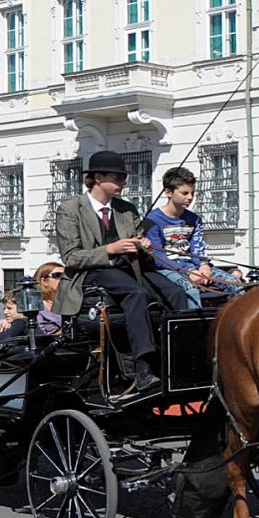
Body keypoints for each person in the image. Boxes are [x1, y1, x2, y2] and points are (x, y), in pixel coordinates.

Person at [52, 150, 164, 395]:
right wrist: (110, 249)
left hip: (129, 267)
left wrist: (143, 244)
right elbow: (71, 256)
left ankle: (177, 362)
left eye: (124, 178)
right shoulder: (70, 209)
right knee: (136, 293)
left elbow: (138, 237)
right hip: (92, 272)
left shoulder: (126, 208)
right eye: (118, 178)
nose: (123, 183)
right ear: (98, 178)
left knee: (174, 292)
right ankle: (143, 368)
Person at [142, 167, 246, 306]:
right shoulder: (153, 219)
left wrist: (203, 265)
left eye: (192, 193)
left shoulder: (194, 219)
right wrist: (188, 271)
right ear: (168, 192)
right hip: (168, 269)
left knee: (235, 284)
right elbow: (158, 257)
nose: (190, 197)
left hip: (194, 266)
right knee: (190, 290)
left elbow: (197, 248)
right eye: (184, 193)